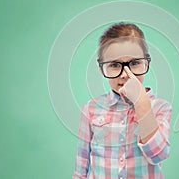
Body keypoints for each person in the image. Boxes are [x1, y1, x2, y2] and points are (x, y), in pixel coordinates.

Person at [72, 22, 173, 179]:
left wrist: (140, 102)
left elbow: (158, 155)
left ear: (146, 62)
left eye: (134, 63)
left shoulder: (160, 107)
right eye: (114, 65)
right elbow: (81, 166)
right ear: (101, 69)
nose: (125, 74)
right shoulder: (91, 109)